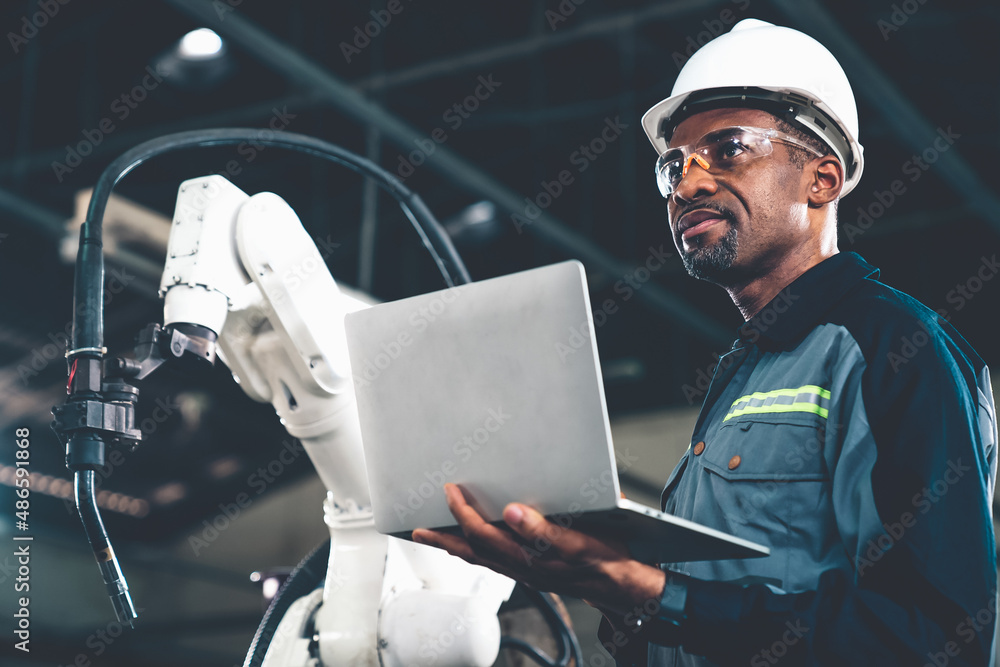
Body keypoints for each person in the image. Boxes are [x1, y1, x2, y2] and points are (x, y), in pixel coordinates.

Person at [412, 19, 998, 666]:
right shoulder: (745, 375)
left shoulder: (891, 344)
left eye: (729, 150)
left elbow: (937, 638)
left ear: (822, 180)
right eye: (675, 165)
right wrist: (604, 581)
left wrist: (657, 591)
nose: (688, 183)